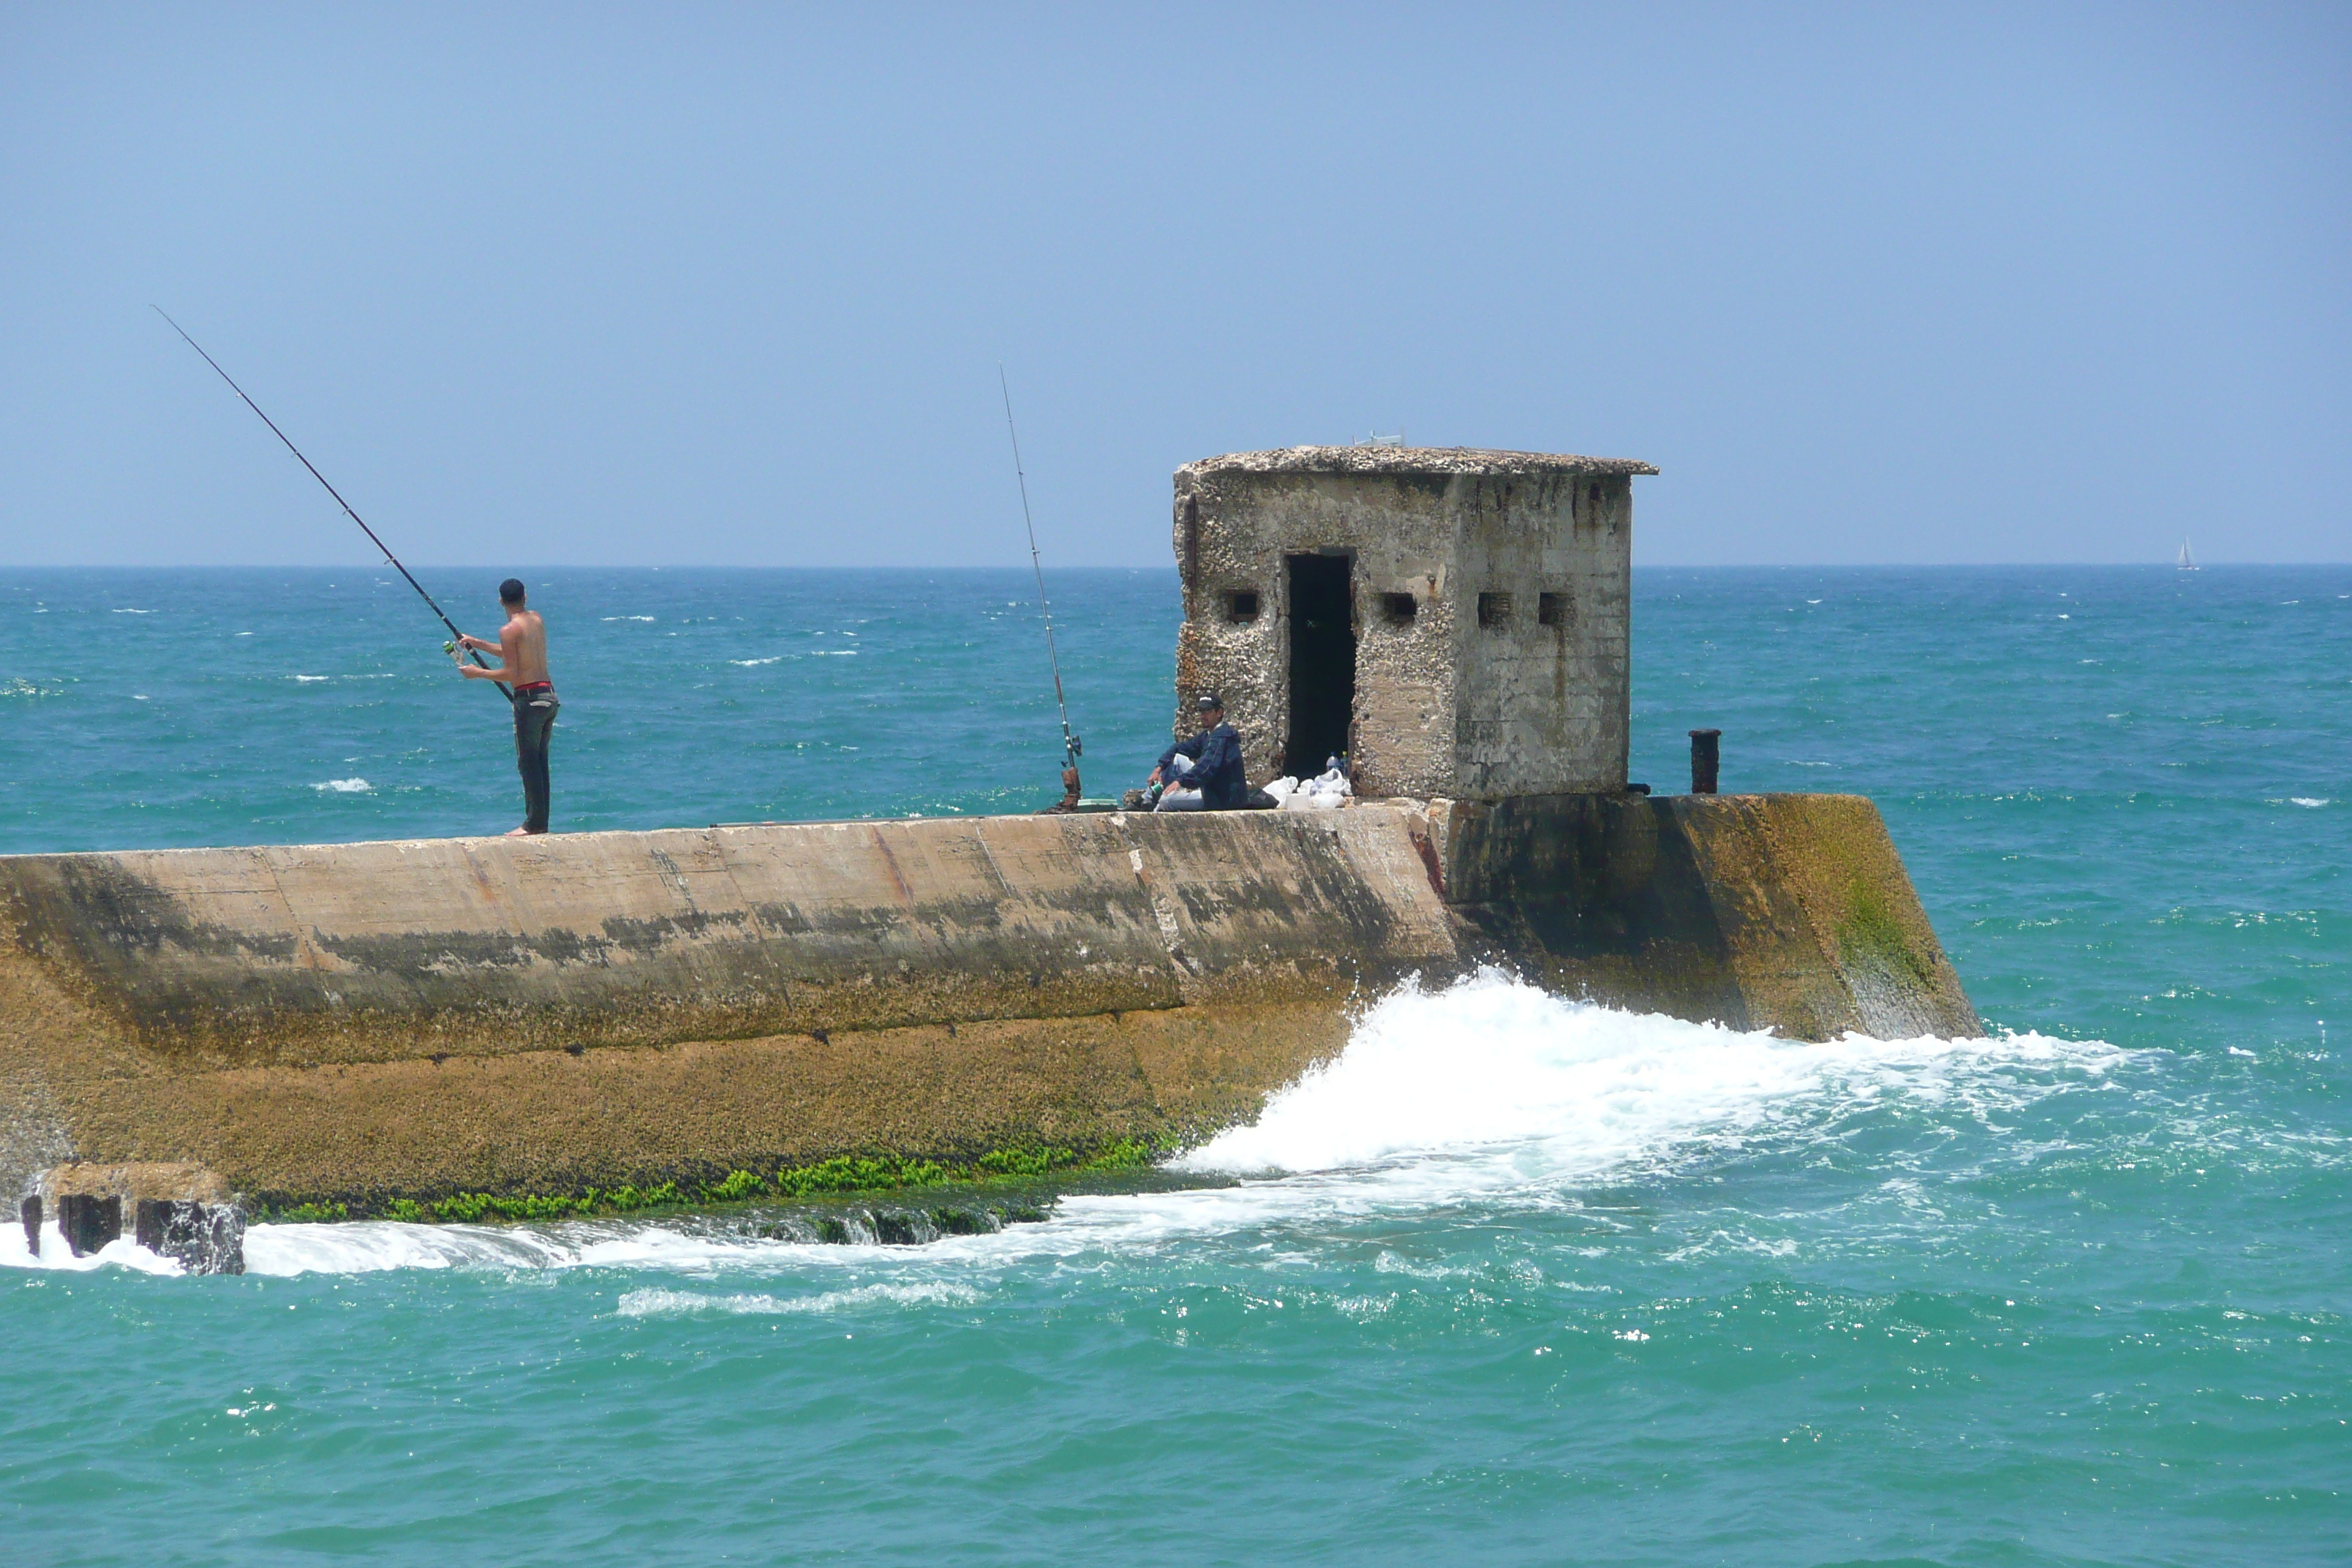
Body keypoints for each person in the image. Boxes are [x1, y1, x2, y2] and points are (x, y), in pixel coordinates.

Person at [455, 578, 558, 836]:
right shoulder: (536, 619)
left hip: (529, 700)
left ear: (501, 601)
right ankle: (540, 823)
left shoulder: (509, 629)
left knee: (528, 763)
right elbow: (512, 652)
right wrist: (476, 643)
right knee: (539, 762)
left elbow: (511, 672)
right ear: (525, 596)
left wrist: (477, 673)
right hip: (548, 696)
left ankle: (533, 825)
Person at [1151, 693, 1248, 811]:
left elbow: (1206, 768)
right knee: (1177, 758)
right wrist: (1159, 768)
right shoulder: (1208, 735)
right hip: (1210, 787)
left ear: (1219, 712)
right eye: (1201, 711)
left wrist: (1180, 780)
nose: (1202, 716)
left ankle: (1154, 811)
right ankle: (1148, 798)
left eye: (1207, 711)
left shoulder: (1220, 738)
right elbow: (1178, 748)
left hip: (1221, 799)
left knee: (1166, 802)